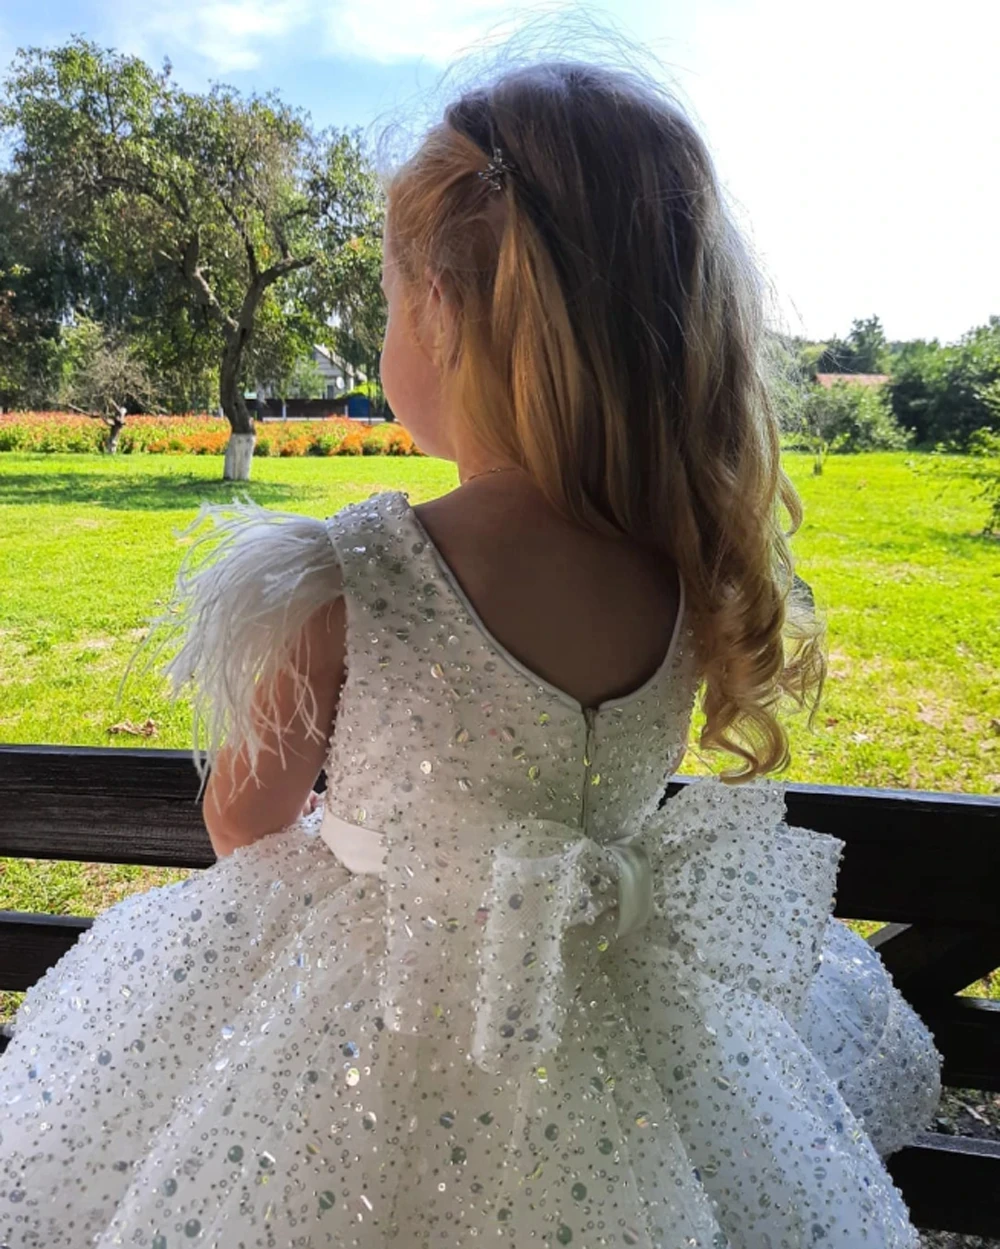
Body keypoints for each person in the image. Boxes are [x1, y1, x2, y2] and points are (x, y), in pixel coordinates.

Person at [0, 61, 940, 1248]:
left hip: (369, 1031)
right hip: (623, 1027)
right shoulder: (689, 568)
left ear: (443, 310)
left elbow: (244, 819)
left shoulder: (362, 568)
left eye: (389, 302)